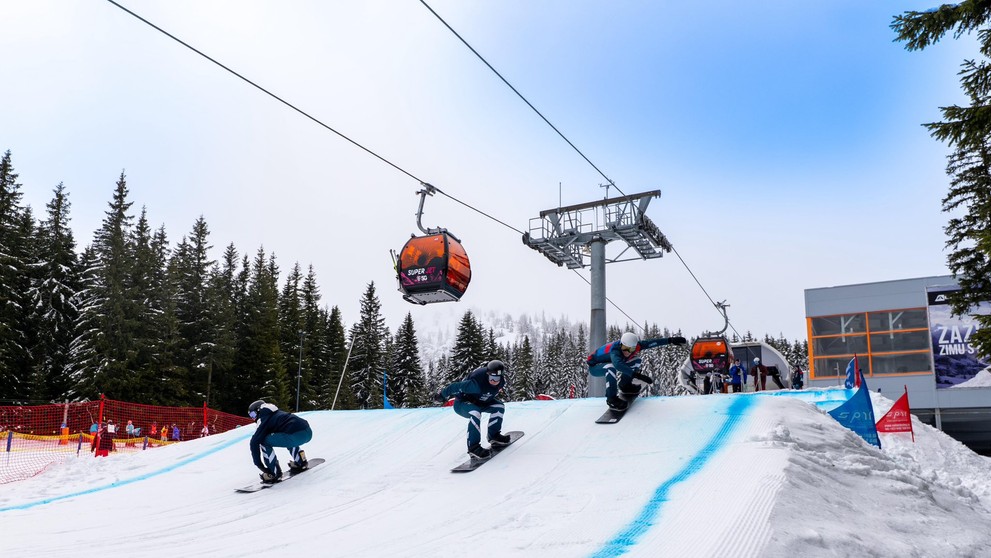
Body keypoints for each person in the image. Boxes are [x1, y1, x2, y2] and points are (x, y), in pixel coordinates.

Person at [587, 331, 687, 410]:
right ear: (621, 344)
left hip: (609, 363)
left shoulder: (636, 346)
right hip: (595, 366)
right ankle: (611, 399)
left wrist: (670, 340)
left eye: (631, 349)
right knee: (610, 367)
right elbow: (618, 365)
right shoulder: (615, 350)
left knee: (636, 361)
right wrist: (637, 375)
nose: (627, 352)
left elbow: (651, 343)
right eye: (625, 348)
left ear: (635, 347)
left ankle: (625, 385)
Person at [434, 360, 511, 460]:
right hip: (462, 403)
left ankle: (494, 436)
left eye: (497, 378)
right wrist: (441, 395)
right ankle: (473, 448)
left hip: (481, 402)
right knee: (475, 413)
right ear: (487, 374)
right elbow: (455, 386)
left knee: (499, 407)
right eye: (491, 378)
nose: (494, 381)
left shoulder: (501, 382)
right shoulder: (476, 384)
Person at [248, 400, 313, 484]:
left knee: (264, 441)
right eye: (251, 416)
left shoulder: (263, 418)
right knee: (285, 433)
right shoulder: (276, 413)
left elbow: (254, 442)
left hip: (294, 437)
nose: (253, 418)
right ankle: (301, 461)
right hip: (308, 432)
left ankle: (274, 473)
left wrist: (259, 465)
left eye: (253, 415)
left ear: (258, 410)